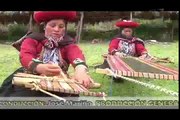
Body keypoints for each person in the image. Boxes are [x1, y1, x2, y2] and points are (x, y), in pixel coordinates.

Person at [0, 11, 99, 97]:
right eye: (52, 25)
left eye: (61, 26)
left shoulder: (68, 43)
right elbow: (26, 55)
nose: (57, 29)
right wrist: (38, 67)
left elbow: (76, 54)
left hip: (58, 81)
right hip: (31, 77)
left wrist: (80, 70)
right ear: (44, 26)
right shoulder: (31, 39)